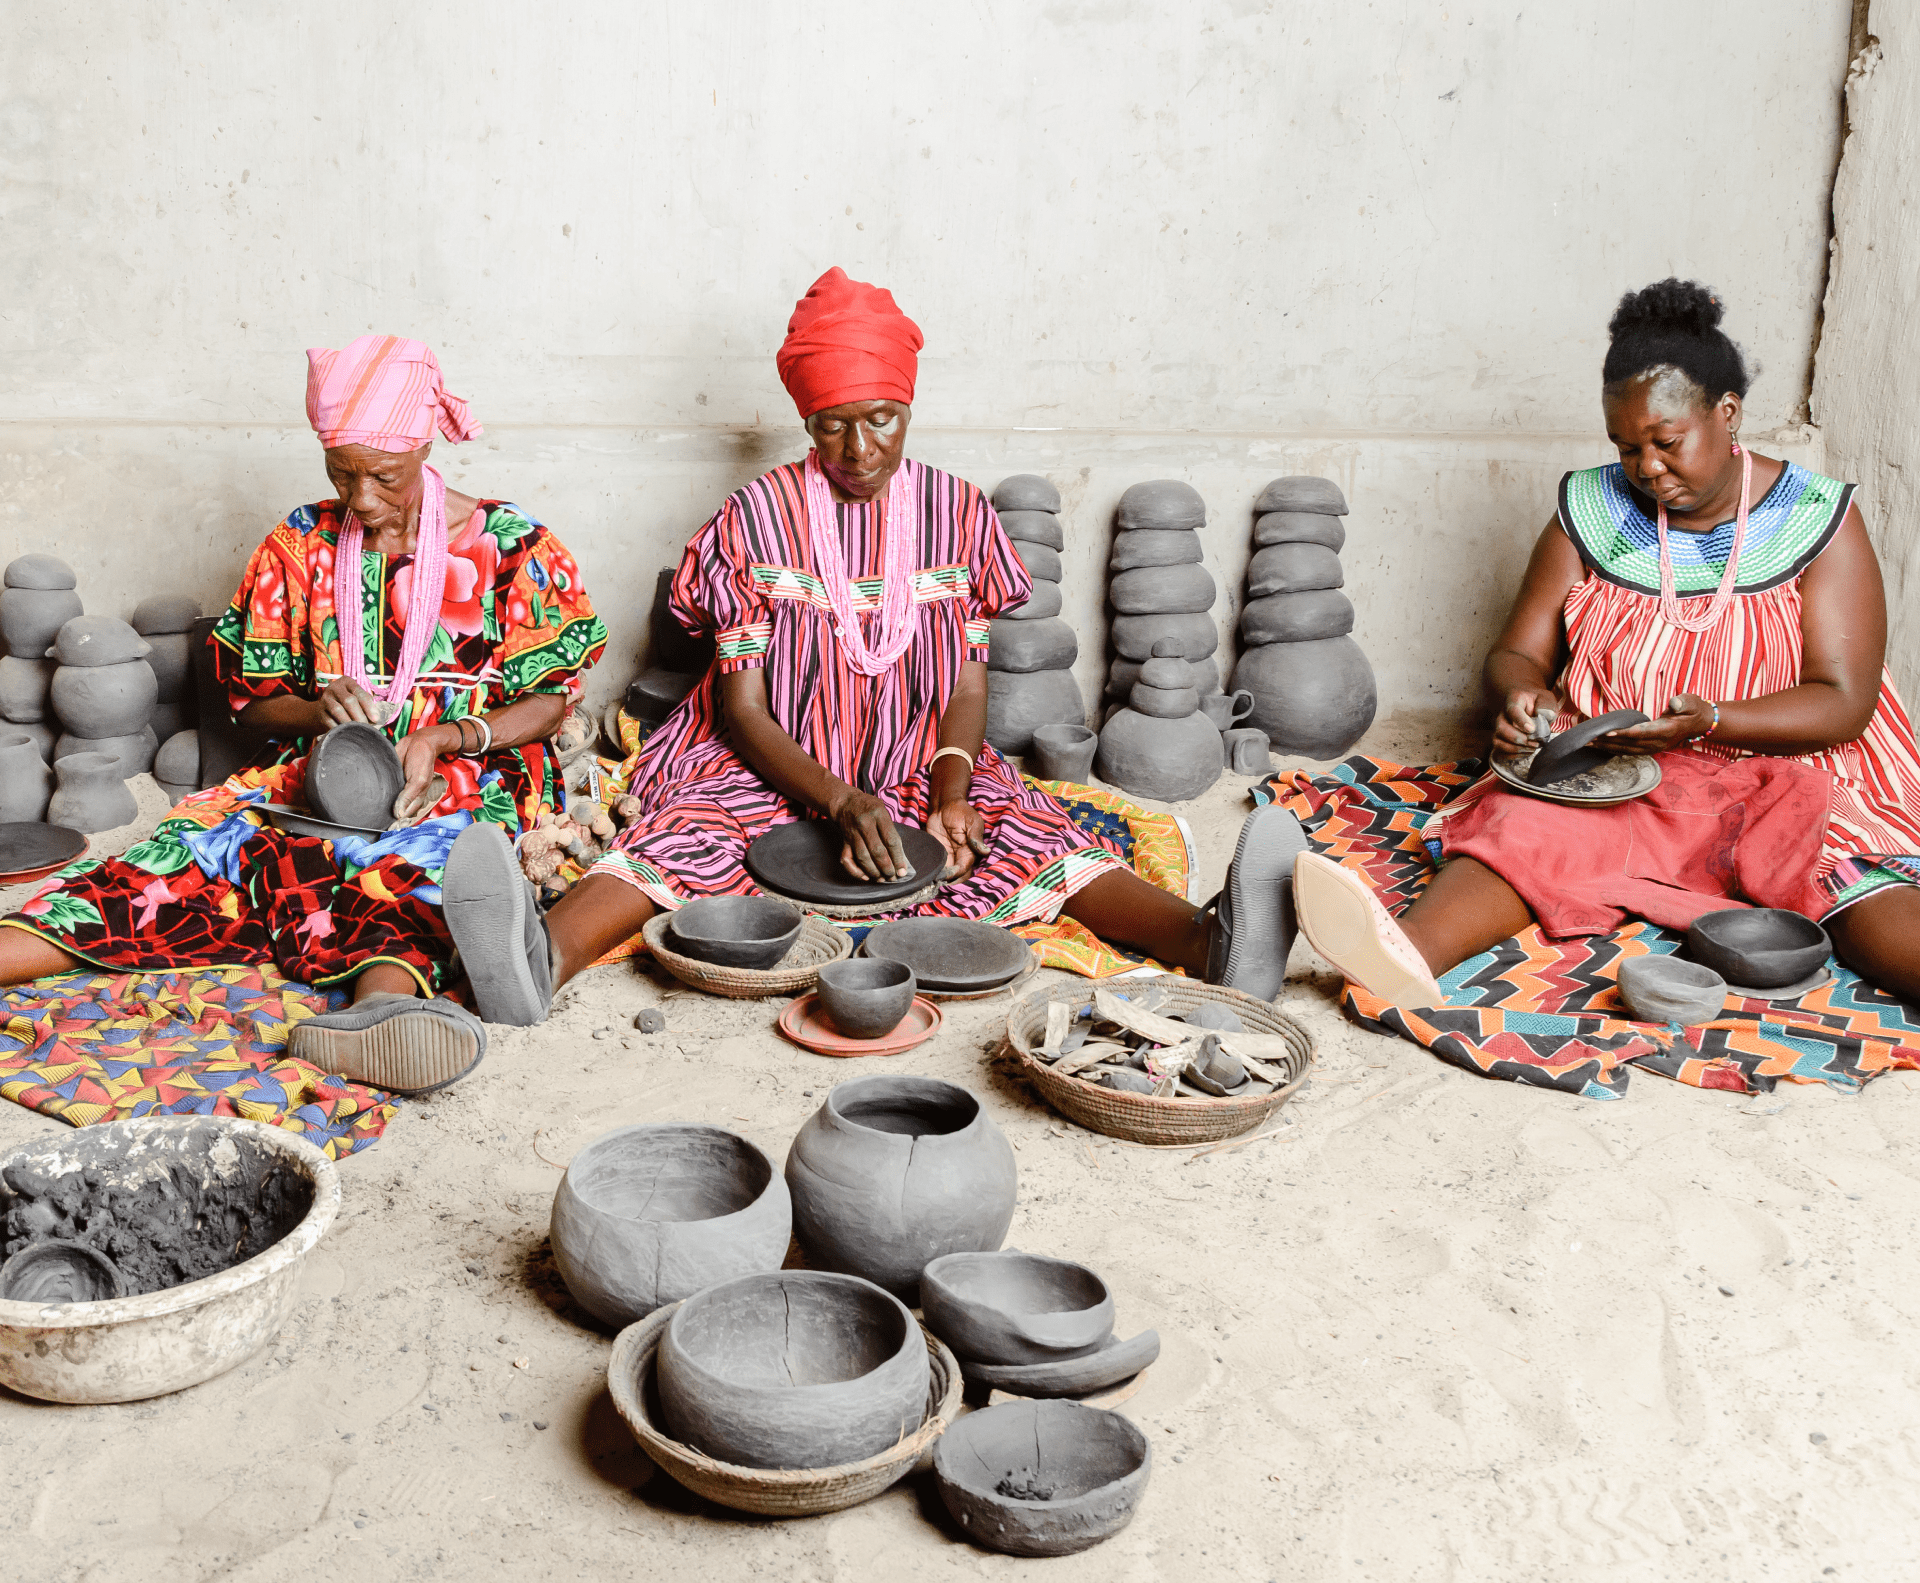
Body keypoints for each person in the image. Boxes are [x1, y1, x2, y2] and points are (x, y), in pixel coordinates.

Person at [441, 267, 1302, 1022]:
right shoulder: (758, 518)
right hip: (771, 761)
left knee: (1027, 830)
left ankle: (1205, 938)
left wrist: (952, 788)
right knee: (684, 833)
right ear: (806, 423)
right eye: (830, 427)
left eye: (883, 420)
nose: (859, 450)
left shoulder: (958, 514)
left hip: (912, 759)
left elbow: (968, 685)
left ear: (910, 405)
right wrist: (837, 800)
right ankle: (537, 958)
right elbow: (740, 710)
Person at [0, 335, 608, 1091]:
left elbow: (554, 700)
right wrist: (316, 708)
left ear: (423, 445)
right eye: (340, 472)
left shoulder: (514, 546)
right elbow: (251, 702)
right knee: (201, 846)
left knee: (421, 860)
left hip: (472, 767)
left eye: (382, 476)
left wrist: (450, 734)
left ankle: (377, 1016)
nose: (360, 498)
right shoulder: (300, 542)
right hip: (328, 773)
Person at [1293, 279, 1920, 1009]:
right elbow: (1516, 652)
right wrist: (1524, 693)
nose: (1647, 468)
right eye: (1627, 448)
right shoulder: (1588, 510)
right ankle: (1398, 957)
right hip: (1622, 774)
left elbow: (1843, 704)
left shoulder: (1819, 519)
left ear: (1728, 412)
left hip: (1783, 771)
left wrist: (1712, 721)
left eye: (1667, 441)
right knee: (1521, 828)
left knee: (1839, 873)